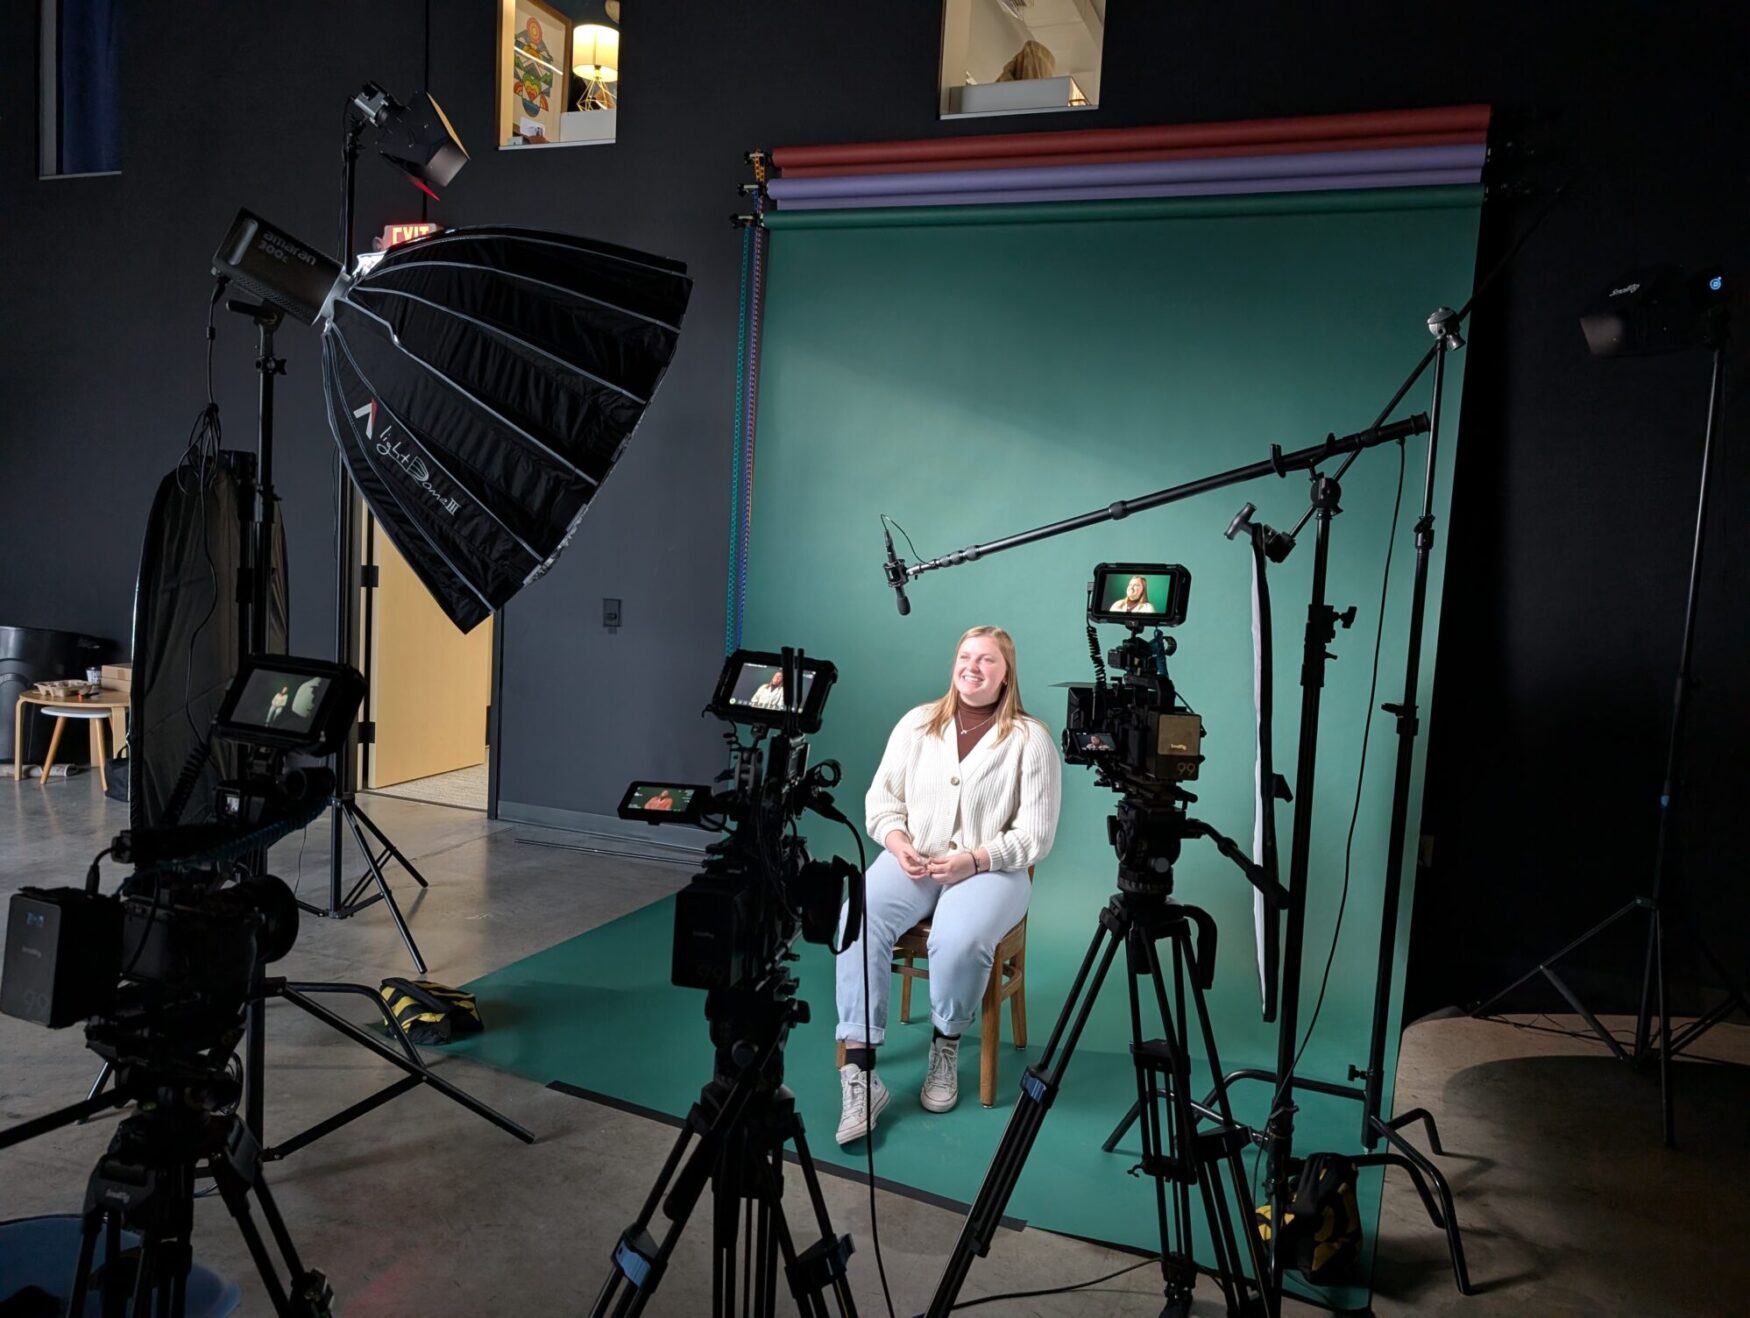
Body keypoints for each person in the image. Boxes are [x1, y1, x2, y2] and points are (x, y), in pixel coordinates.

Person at [835, 625, 1061, 1143]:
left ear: (1007, 675)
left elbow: (1035, 837)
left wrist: (976, 859)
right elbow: (882, 801)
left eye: (987, 660)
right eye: (965, 657)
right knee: (857, 918)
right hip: (917, 859)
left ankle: (946, 1042)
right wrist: (896, 842)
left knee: (956, 939)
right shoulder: (918, 724)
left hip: (993, 869)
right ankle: (861, 1071)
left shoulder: (1031, 740)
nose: (972, 667)